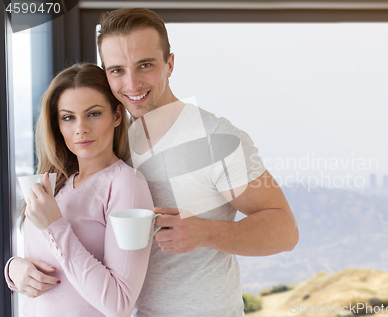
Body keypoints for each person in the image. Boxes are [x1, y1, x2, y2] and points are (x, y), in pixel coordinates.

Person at [96, 8, 299, 317]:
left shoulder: (215, 138)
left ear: (170, 64)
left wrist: (205, 232)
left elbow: (285, 230)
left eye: (145, 65)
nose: (132, 83)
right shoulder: (115, 139)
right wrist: (15, 268)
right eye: (117, 70)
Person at [4, 64, 154, 316]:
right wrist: (13, 269)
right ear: (58, 125)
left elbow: (119, 304)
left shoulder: (127, 185)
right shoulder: (57, 184)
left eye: (93, 114)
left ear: (117, 115)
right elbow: (43, 258)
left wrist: (55, 225)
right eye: (68, 117)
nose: (80, 128)